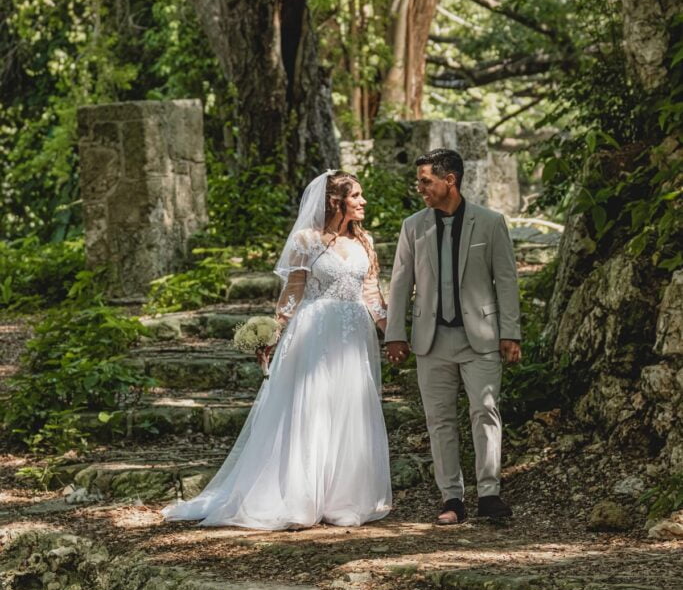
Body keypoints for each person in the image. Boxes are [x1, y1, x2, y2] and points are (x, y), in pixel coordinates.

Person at [161, 170, 392, 530]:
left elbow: (372, 294)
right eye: (356, 195)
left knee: (350, 409)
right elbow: (292, 294)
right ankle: (300, 498)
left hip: (353, 335)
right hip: (315, 333)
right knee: (311, 409)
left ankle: (344, 499)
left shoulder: (365, 242)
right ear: (336, 201)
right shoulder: (306, 241)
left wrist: (390, 333)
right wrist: (273, 332)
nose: (363, 202)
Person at [385, 149, 521, 525]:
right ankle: (452, 498)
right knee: (439, 420)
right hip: (431, 339)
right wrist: (395, 333)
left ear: (451, 180)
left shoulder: (490, 223)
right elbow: (400, 283)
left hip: (481, 338)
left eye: (426, 181)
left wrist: (510, 332)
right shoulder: (413, 226)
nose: (420, 188)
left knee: (486, 412)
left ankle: (489, 493)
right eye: (419, 181)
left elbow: (506, 281)